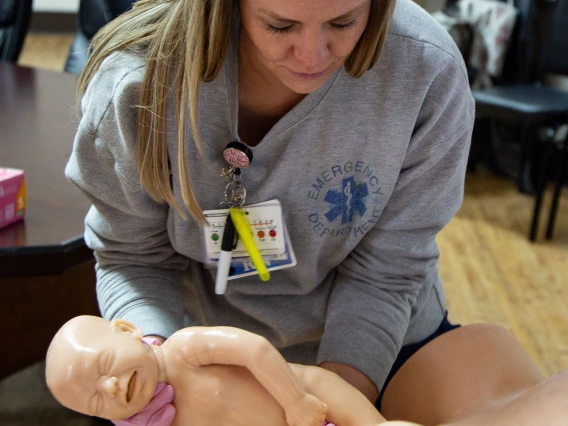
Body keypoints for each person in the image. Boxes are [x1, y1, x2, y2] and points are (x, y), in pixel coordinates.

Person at [64, 0, 568, 424]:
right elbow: (133, 257)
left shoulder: (425, 72)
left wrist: (333, 403)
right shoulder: (136, 87)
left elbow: (387, 271)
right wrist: (161, 366)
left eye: (344, 22)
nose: (312, 55)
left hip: (385, 343)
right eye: (279, 25)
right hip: (215, 357)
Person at [45, 315, 384, 426]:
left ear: (127, 329)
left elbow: (255, 350)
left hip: (312, 394)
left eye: (105, 367)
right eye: (96, 403)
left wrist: (296, 401)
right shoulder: (159, 420)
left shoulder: (182, 349)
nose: (111, 388)